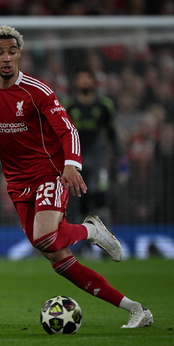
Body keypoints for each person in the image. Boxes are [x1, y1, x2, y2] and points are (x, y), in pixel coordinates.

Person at [0, 25, 152, 329]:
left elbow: (68, 130)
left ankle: (91, 230)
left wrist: (71, 165)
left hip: (48, 171)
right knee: (57, 258)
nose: (6, 57)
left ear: (19, 54)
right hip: (16, 182)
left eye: (12, 51)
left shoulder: (37, 90)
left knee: (45, 237)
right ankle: (135, 309)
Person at [63, 68, 120, 229]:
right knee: (82, 200)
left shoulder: (104, 105)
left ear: (94, 82)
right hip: (77, 160)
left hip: (98, 159)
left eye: (87, 78)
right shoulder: (68, 105)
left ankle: (106, 235)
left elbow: (112, 134)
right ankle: (83, 238)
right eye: (80, 78)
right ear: (75, 83)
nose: (84, 82)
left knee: (100, 195)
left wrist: (121, 157)